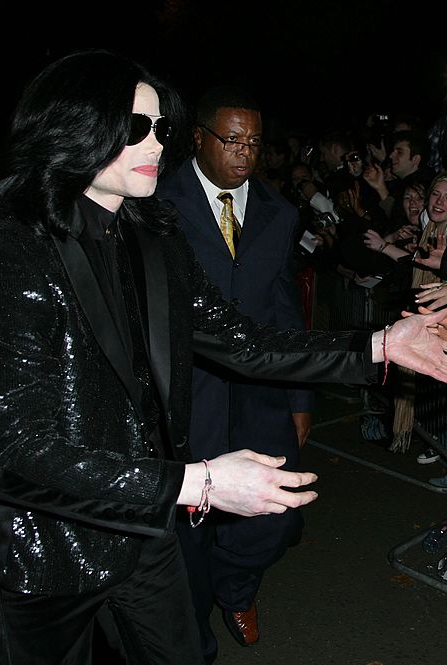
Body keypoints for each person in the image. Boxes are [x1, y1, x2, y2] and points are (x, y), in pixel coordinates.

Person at [0, 49, 447, 665]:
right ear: (76, 127)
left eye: (161, 127)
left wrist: (377, 345)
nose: (157, 142)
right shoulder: (11, 249)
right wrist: (200, 482)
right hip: (47, 548)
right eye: (136, 127)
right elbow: (13, 452)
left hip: (145, 528)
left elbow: (242, 339)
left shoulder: (154, 235)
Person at [155, 84, 312, 657]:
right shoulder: (155, 202)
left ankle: (237, 587)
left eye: (254, 143)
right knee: (188, 525)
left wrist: (300, 398)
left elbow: (286, 310)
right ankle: (195, 632)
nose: (244, 153)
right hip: (185, 393)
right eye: (232, 140)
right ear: (199, 138)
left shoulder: (279, 212)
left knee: (277, 516)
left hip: (260, 393)